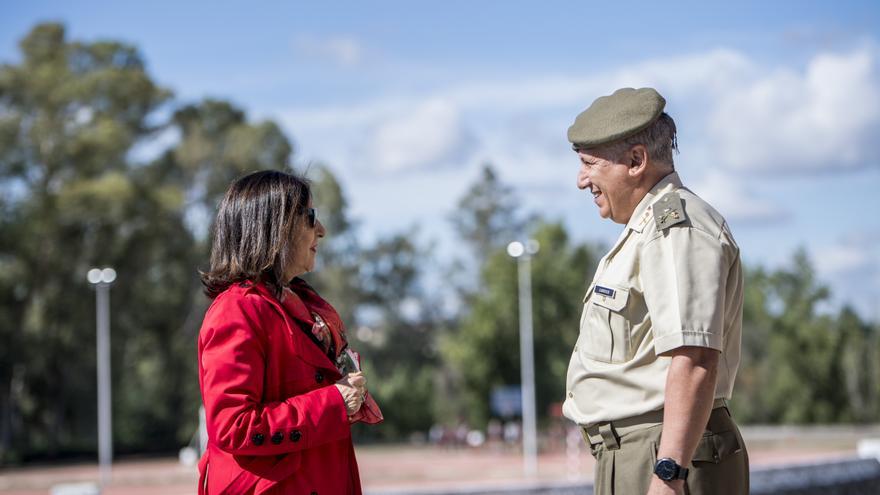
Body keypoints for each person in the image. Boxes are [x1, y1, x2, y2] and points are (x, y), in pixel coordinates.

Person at [562, 88, 748, 495]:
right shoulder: (648, 229)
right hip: (640, 453)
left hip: (663, 454)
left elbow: (695, 356)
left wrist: (669, 473)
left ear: (636, 161)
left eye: (589, 164)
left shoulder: (675, 228)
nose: (581, 180)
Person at [197, 170, 381, 495]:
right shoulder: (236, 310)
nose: (321, 231)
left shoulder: (301, 305)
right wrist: (334, 402)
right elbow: (233, 427)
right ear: (275, 226)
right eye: (310, 217)